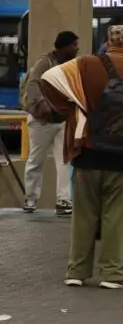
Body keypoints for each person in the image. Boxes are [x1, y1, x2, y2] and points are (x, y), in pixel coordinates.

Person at [41, 25, 123, 289]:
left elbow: (48, 78)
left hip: (87, 152)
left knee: (84, 216)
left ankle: (76, 271)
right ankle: (113, 274)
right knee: (118, 218)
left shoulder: (85, 64)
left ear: (107, 43)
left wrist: (71, 107)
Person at [22, 31, 79, 215]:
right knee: (36, 160)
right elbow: (33, 84)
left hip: (62, 120)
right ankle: (30, 199)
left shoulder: (70, 65)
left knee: (65, 161)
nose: (77, 48)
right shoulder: (44, 62)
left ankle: (63, 200)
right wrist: (43, 106)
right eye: (74, 45)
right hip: (43, 121)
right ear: (64, 46)